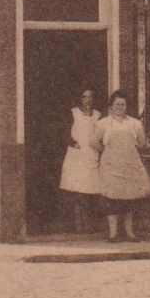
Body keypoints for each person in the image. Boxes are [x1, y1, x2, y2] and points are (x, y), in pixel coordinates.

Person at [93, 89, 150, 243]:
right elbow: (93, 142)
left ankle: (130, 233)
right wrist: (105, 151)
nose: (120, 108)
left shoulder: (135, 123)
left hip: (130, 165)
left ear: (127, 106)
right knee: (112, 201)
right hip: (111, 166)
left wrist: (134, 149)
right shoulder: (103, 123)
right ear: (111, 107)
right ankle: (113, 234)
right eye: (116, 105)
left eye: (123, 105)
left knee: (130, 200)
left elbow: (142, 143)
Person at [58, 89, 102, 232]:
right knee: (76, 190)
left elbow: (101, 134)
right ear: (80, 99)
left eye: (90, 96)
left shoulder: (98, 115)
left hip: (91, 155)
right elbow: (64, 132)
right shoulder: (73, 113)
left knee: (89, 189)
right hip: (76, 156)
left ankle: (88, 223)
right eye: (84, 97)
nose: (88, 100)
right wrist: (72, 143)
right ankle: (78, 223)